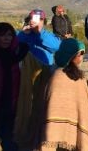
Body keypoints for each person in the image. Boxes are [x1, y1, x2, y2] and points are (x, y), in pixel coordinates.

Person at [40, 38, 88, 151]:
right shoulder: (66, 78)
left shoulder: (59, 76)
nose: (81, 58)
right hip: (62, 136)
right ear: (70, 56)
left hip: (58, 134)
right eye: (79, 54)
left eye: (82, 54)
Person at [14, 9, 61, 149]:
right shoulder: (22, 34)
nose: (35, 22)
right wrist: (23, 33)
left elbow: (57, 46)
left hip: (44, 75)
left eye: (39, 19)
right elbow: (11, 44)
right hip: (24, 80)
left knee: (41, 107)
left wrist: (39, 33)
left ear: (43, 22)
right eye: (32, 19)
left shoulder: (48, 36)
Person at [0, 22, 28, 151]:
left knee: (8, 140)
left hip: (9, 106)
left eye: (9, 35)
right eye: (2, 35)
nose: (6, 38)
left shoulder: (20, 55)